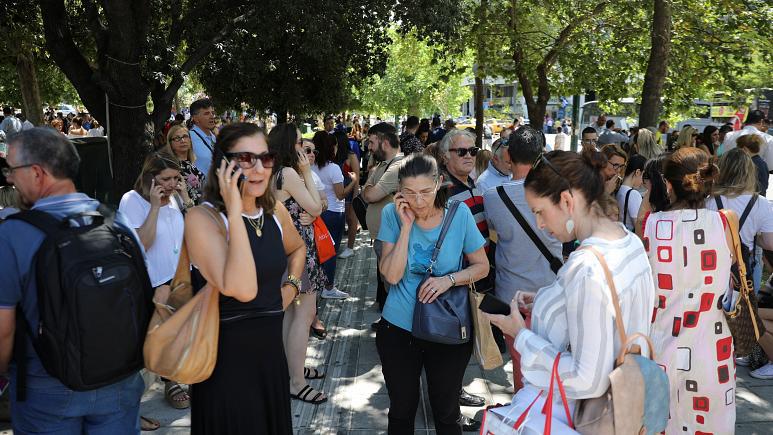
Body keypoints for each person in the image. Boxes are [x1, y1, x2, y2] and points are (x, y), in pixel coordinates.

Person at [486, 149, 655, 432]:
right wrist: (548, 298)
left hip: (576, 417)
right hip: (625, 407)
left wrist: (521, 335)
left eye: (540, 212)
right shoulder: (629, 241)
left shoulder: (587, 266)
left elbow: (587, 379)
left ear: (566, 200)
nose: (539, 223)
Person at [0, 128, 146, 433]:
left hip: (46, 388)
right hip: (120, 380)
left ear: (37, 173)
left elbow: (3, 330)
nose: (9, 178)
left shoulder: (12, 235)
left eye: (11, 170)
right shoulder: (116, 221)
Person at [186, 122, 305, 434]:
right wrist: (236, 209)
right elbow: (243, 287)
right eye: (246, 159)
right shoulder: (203, 219)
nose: (259, 169)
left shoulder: (275, 212)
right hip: (226, 369)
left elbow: (298, 249)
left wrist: (290, 288)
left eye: (265, 158)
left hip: (270, 360)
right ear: (222, 164)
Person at [376, 154, 489, 434]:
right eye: (410, 193)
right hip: (399, 326)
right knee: (402, 409)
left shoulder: (458, 213)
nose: (419, 201)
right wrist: (405, 228)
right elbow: (390, 276)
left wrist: (448, 280)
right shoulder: (392, 214)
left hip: (447, 326)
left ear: (439, 183)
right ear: (399, 191)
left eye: (426, 191)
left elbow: (482, 267)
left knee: (447, 410)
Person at [643, 148, 737, 433]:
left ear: (668, 184)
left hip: (661, 353)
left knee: (661, 424)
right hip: (712, 353)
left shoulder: (651, 225)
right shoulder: (725, 223)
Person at [482, 126, 562, 392]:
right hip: (552, 293)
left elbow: (493, 234)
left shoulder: (494, 197)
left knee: (521, 367)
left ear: (508, 155)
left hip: (511, 296)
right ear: (541, 156)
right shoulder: (557, 194)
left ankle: (524, 415)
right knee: (553, 366)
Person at [118, 152, 191, 411]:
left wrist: (185, 199)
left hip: (181, 276)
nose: (172, 184)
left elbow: (194, 235)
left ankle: (185, 376)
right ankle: (169, 383)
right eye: (166, 179)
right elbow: (142, 244)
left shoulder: (176, 200)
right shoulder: (132, 200)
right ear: (150, 178)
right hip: (152, 281)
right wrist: (154, 206)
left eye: (176, 178)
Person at [267, 123, 329, 404]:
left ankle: (291, 368)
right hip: (298, 251)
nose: (302, 148)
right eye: (297, 143)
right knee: (304, 315)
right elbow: (315, 207)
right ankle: (296, 381)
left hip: (285, 249)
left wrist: (315, 209)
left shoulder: (273, 172)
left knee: (292, 315)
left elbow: (317, 205)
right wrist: (306, 172)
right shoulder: (290, 173)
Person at [362, 123, 405, 311]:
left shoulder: (397, 167)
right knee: (385, 283)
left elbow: (370, 194)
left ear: (384, 142)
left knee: (392, 284)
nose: (369, 147)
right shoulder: (382, 165)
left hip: (391, 239)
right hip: (382, 237)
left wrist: (369, 187)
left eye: (372, 142)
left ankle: (393, 325)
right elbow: (366, 189)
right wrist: (369, 186)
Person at [312, 131, 355, 299]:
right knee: (331, 251)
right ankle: (328, 287)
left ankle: (318, 283)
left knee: (317, 250)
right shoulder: (333, 168)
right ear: (331, 148)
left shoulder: (310, 166)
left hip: (316, 211)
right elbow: (341, 194)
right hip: (334, 213)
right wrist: (353, 181)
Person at [334, 130, 361, 259]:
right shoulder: (334, 156)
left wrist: (355, 196)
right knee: (341, 220)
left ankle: (350, 248)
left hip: (349, 193)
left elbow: (357, 177)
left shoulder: (351, 156)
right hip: (337, 193)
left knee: (351, 220)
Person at [163, 124, 205, 205]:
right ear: (170, 144)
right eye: (177, 138)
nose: (182, 140)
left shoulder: (191, 164)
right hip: (186, 211)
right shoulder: (172, 167)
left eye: (185, 136)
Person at [616, 154, 646, 231]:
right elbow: (639, 226)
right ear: (638, 172)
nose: (643, 181)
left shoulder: (618, 189)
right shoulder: (633, 194)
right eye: (644, 175)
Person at [189, 98, 217, 175]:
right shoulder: (189, 138)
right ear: (196, 118)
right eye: (206, 113)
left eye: (212, 113)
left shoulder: (213, 137)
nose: (212, 116)